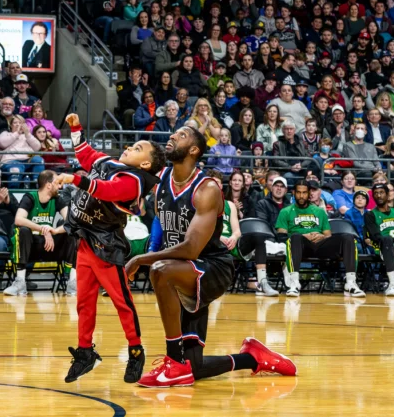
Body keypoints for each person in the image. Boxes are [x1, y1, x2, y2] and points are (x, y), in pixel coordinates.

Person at [126, 127, 296, 387]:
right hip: (181, 269)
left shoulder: (207, 189)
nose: (172, 136)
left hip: (211, 268)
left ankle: (173, 361)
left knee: (158, 269)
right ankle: (253, 357)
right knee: (193, 367)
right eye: (173, 133)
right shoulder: (161, 180)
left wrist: (141, 259)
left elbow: (192, 249)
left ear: (194, 150)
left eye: (181, 135)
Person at [52, 113, 165, 384]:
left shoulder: (134, 181)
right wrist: (75, 126)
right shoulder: (110, 162)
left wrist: (74, 180)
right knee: (84, 302)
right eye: (131, 145)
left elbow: (105, 190)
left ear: (146, 163)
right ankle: (85, 351)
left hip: (106, 246)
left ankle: (136, 350)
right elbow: (86, 153)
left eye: (137, 149)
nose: (129, 147)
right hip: (84, 240)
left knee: (121, 301)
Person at [277, 180, 363, 298]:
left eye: (304, 193)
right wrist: (303, 236)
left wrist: (322, 236)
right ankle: (294, 283)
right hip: (301, 246)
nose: (301, 196)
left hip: (320, 244)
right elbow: (281, 236)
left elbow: (328, 234)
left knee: (349, 238)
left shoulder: (319, 211)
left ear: (309, 194)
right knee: (294, 237)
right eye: (298, 193)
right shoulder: (285, 211)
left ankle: (351, 283)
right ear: (293, 193)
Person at [3, 170, 74, 297]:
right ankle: (20, 282)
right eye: (57, 183)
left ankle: (72, 283)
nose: (60, 186)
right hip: (31, 247)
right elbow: (18, 219)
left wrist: (54, 230)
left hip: (50, 247)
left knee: (73, 232)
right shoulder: (30, 197)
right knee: (21, 230)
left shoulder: (58, 199)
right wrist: (43, 229)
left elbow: (71, 223)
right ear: (48, 185)